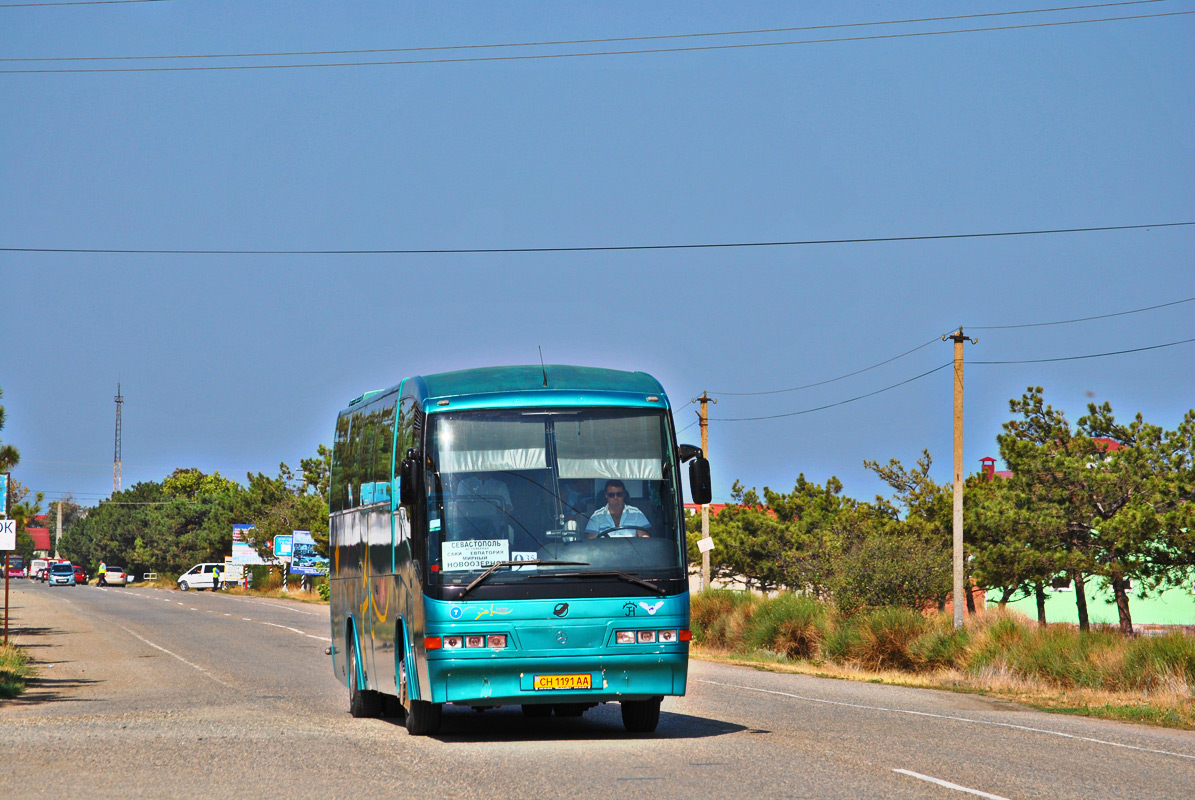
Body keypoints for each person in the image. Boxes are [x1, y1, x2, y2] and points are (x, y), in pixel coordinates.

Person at [586, 480, 651, 538]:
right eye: (611, 495)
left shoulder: (636, 513)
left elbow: (644, 538)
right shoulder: (597, 516)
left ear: (624, 494)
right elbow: (591, 542)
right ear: (606, 495)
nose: (615, 498)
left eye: (619, 494)